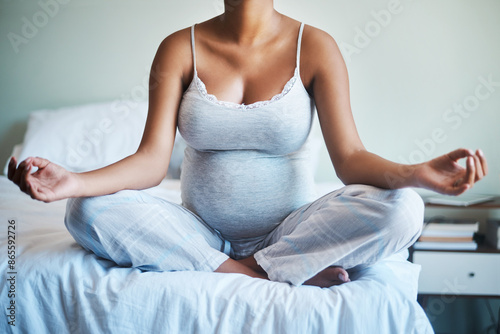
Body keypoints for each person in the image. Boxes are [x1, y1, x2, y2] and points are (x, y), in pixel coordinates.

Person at [8, 0, 487, 288]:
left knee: (404, 209)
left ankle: (274, 260)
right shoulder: (180, 47)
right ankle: (265, 272)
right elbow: (151, 163)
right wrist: (74, 181)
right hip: (196, 232)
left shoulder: (314, 46)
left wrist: (416, 174)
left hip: (293, 230)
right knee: (85, 211)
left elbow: (350, 160)